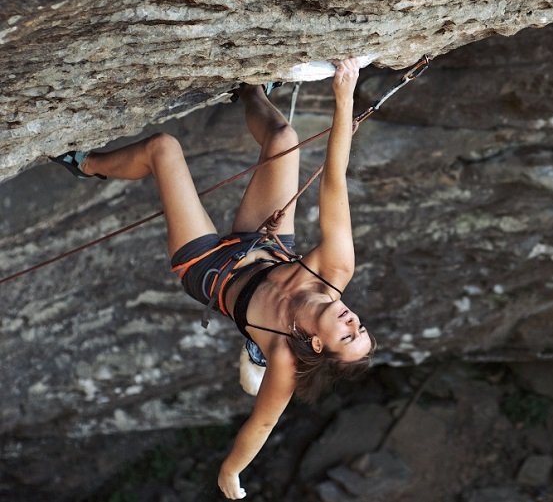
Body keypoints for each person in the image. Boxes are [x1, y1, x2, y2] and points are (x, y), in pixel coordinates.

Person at [52, 58, 372, 500]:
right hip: (267, 245)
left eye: (348, 335)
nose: (354, 321)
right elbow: (334, 182)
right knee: (285, 139)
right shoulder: (334, 272)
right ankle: (251, 89)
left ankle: (85, 163)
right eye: (362, 327)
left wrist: (230, 472)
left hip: (211, 270)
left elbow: (261, 424)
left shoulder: (285, 354)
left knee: (163, 148)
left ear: (318, 344)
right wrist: (344, 100)